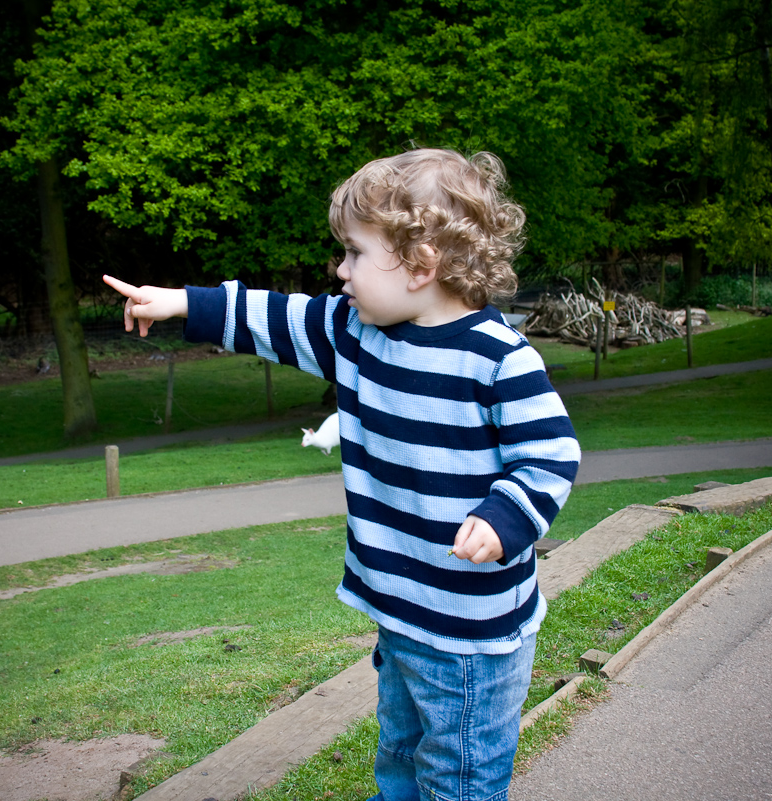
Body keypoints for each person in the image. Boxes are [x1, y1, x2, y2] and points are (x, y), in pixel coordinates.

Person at [104, 147, 580, 801]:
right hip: (399, 610)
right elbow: (274, 316)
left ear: (420, 264)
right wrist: (181, 302)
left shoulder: (496, 358)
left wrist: (504, 516)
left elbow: (550, 452)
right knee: (399, 756)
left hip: (470, 633)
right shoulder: (355, 333)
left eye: (355, 252)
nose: (340, 270)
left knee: (459, 775)